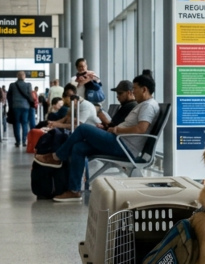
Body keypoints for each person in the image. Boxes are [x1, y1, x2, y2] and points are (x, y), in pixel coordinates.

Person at [35, 72, 160, 202]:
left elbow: (141, 129)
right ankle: (74, 190)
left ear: (144, 89)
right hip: (119, 141)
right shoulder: (143, 105)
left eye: (135, 89)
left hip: (123, 146)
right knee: (79, 147)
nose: (133, 92)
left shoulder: (148, 106)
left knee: (83, 128)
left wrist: (117, 129)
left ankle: (57, 157)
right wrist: (110, 129)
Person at [8, 70, 35, 146]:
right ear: (24, 76)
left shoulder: (12, 85)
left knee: (16, 123)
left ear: (17, 76)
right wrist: (32, 104)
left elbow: (9, 96)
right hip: (25, 106)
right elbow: (30, 95)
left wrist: (11, 105)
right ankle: (24, 141)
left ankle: (17, 141)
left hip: (15, 106)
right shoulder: (28, 85)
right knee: (24, 123)